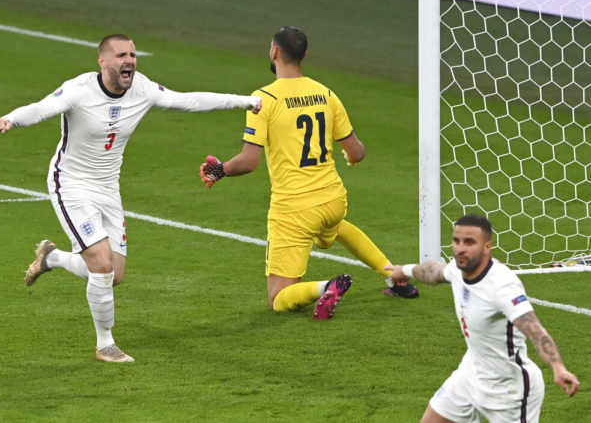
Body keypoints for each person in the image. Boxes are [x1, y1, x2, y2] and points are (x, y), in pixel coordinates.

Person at [0, 34, 262, 362]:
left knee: (113, 275)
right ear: (103, 62)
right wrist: (11, 119)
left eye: (132, 54)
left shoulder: (142, 88)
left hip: (108, 188)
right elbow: (42, 108)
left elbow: (188, 100)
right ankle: (105, 344)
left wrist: (242, 101)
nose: (129, 60)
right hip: (71, 185)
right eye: (120, 55)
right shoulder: (79, 90)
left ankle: (52, 257)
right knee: (102, 264)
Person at [198, 26, 418, 320]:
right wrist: (349, 158)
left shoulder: (263, 99)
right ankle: (394, 277)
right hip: (333, 200)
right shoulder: (325, 93)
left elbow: (249, 162)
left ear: (274, 52)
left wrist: (220, 170)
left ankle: (327, 286)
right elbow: (358, 152)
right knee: (335, 227)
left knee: (277, 298)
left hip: (295, 210)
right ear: (304, 55)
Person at [387, 213, 579, 423]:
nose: (461, 248)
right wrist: (404, 270)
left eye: (469, 242)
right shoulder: (459, 268)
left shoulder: (502, 285)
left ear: (487, 246)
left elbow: (534, 330)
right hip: (470, 374)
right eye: (457, 241)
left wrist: (558, 367)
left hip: (509, 390)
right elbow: (434, 272)